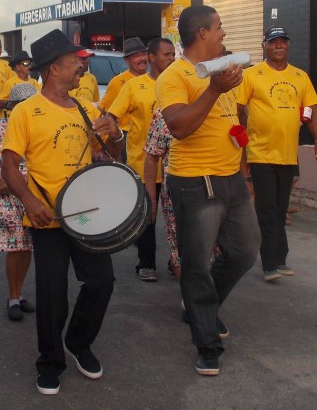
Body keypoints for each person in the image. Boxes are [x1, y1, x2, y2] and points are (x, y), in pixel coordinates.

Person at [1, 29, 123, 395]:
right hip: (47, 216)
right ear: (54, 68)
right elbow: (9, 165)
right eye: (75, 63)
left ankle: (79, 342)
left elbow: (113, 157)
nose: (82, 70)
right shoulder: (26, 111)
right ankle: (50, 361)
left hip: (86, 213)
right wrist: (30, 202)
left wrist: (114, 135)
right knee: (52, 293)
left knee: (102, 281)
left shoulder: (89, 109)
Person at [156, 5, 261, 376]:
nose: (224, 33)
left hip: (231, 177)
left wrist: (244, 167)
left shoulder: (224, 69)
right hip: (195, 182)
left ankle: (200, 305)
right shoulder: (175, 76)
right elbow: (179, 127)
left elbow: (236, 122)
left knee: (246, 250)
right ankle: (206, 343)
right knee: (197, 265)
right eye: (219, 27)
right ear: (202, 32)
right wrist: (214, 90)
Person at [236, 26, 317, 282]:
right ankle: (270, 263)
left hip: (288, 154)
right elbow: (239, 109)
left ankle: (280, 258)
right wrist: (242, 145)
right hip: (260, 153)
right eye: (273, 42)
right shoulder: (252, 75)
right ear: (265, 46)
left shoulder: (300, 76)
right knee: (267, 207)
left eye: (283, 41)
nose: (278, 46)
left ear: (288, 45)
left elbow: (310, 110)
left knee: (281, 207)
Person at [108, 37, 175, 282]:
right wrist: (114, 144)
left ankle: (175, 260)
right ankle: (146, 264)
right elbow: (112, 116)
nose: (171, 59)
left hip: (175, 167)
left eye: (173, 54)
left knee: (176, 218)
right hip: (142, 163)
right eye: (166, 55)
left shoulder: (180, 86)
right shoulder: (134, 86)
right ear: (152, 57)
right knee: (149, 216)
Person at [0, 83, 37, 321]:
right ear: (12, 107)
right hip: (7, 195)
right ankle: (13, 297)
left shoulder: (40, 126)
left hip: (34, 196)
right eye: (21, 105)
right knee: (16, 247)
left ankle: (19, 292)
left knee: (27, 247)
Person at [144, 109, 180, 278]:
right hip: (176, 195)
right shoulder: (165, 112)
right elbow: (151, 156)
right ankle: (193, 299)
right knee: (181, 252)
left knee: (230, 251)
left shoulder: (221, 104)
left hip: (218, 193)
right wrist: (151, 199)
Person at [98, 37, 148, 140]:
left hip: (150, 135)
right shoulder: (117, 82)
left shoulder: (154, 79)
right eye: (136, 56)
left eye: (143, 54)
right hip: (127, 135)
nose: (142, 58)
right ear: (126, 60)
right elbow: (103, 111)